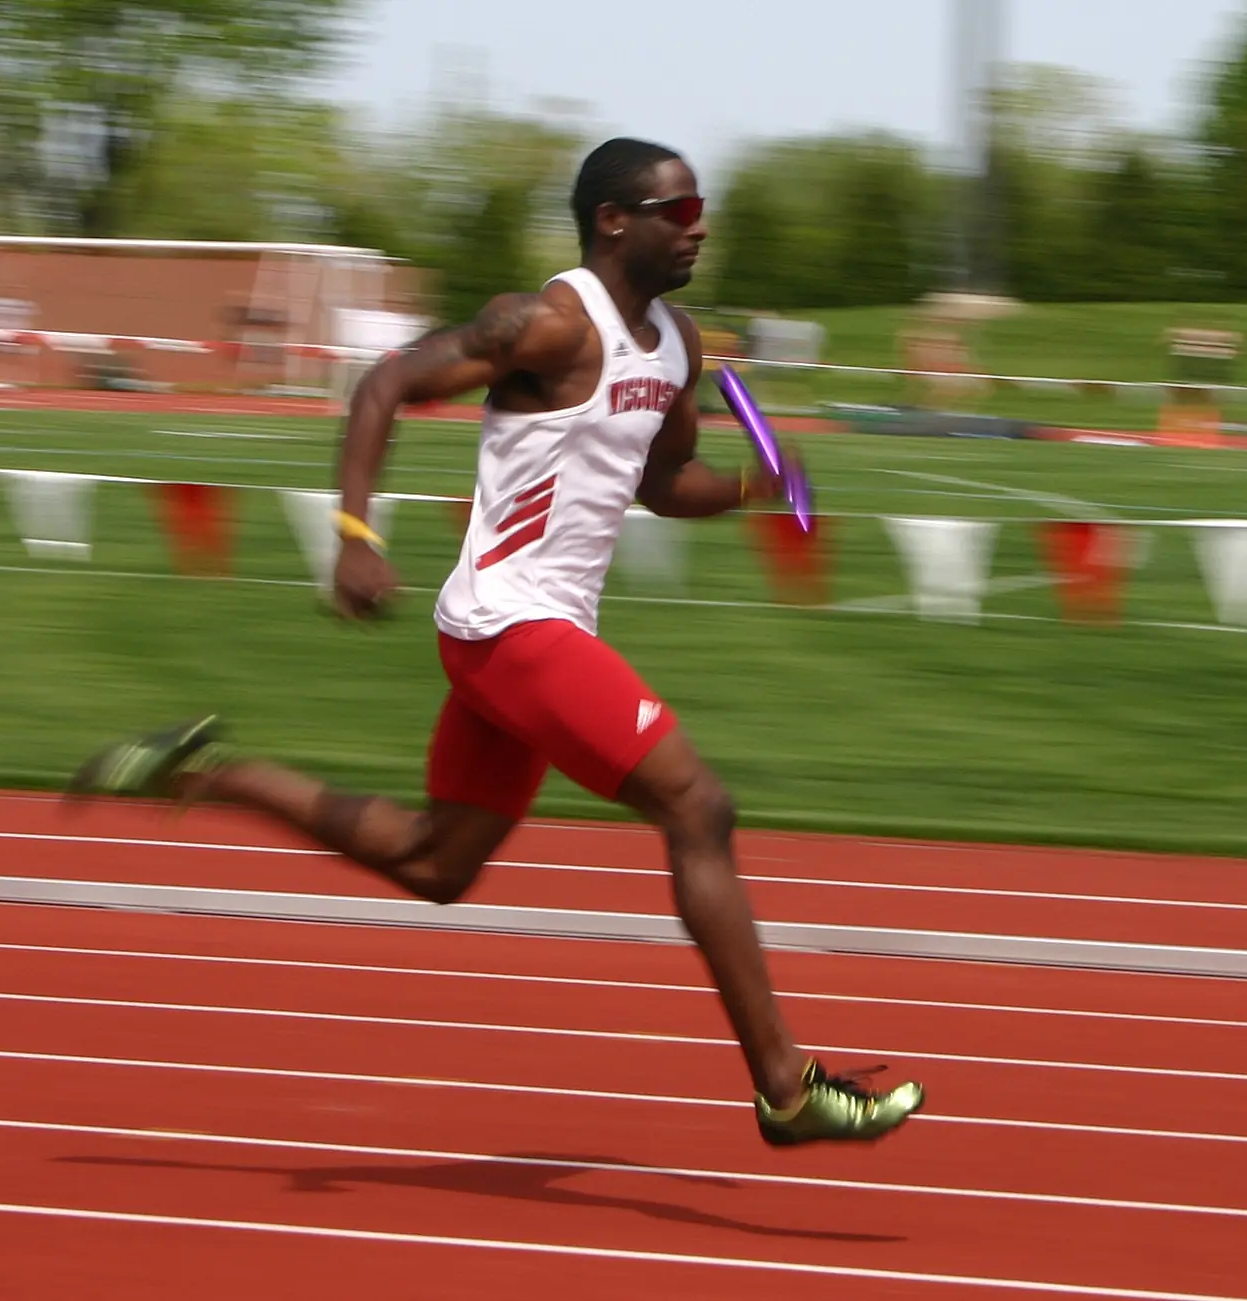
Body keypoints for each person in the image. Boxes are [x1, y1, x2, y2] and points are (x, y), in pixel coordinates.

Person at [66, 137, 925, 1148]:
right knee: (699, 805)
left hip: (530, 632)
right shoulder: (548, 321)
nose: (698, 224)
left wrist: (748, 485)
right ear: (614, 218)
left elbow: (658, 484)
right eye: (678, 207)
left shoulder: (678, 343)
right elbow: (383, 385)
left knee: (437, 863)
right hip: (510, 622)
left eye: (702, 207)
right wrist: (353, 534)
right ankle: (785, 1086)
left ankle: (210, 773)